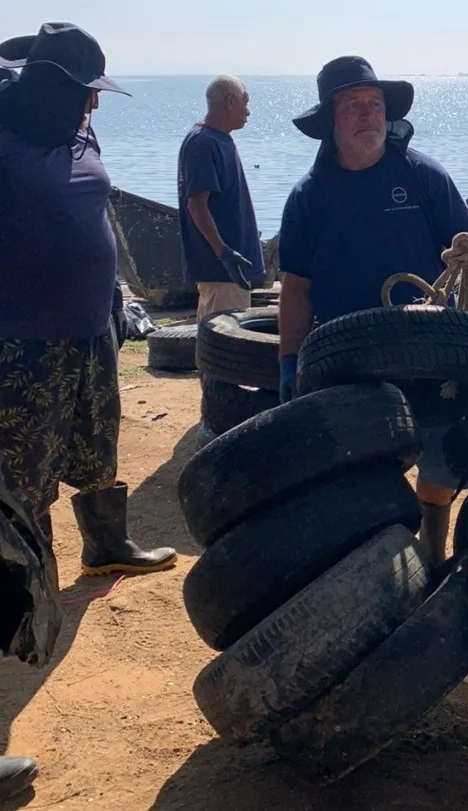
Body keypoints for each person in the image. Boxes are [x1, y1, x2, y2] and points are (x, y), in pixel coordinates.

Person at [0, 22, 179, 800]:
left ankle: (106, 547)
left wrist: (118, 294)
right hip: (19, 349)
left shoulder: (81, 133)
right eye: (78, 94)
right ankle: (21, 609)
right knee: (14, 501)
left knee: (97, 452)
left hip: (89, 331)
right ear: (44, 86)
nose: (86, 109)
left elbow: (95, 211)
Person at [276, 55, 468, 561]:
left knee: (439, 457)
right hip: (347, 360)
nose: (368, 114)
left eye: (374, 104)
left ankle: (434, 552)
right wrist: (289, 362)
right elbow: (296, 288)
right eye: (353, 106)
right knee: (362, 464)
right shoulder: (308, 197)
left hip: (430, 349)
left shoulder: (423, 176)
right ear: (330, 120)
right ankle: (373, 563)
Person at [177, 74, 264, 321]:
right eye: (245, 103)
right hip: (223, 273)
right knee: (224, 346)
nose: (248, 112)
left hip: (230, 272)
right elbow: (196, 204)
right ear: (230, 101)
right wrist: (224, 253)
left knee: (215, 342)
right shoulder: (203, 143)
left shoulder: (221, 139)